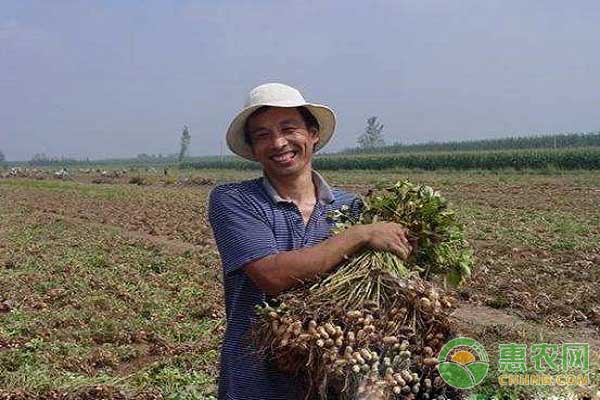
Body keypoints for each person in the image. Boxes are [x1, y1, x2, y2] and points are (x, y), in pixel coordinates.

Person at [208, 83, 413, 400]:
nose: (278, 143)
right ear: (252, 148)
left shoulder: (353, 208)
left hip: (331, 380)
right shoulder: (234, 200)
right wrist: (358, 235)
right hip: (256, 383)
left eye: (288, 128)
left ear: (313, 133)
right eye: (262, 135)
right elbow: (271, 275)